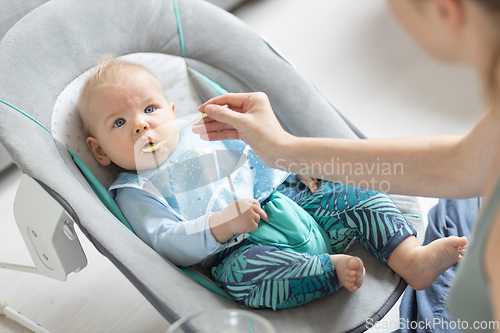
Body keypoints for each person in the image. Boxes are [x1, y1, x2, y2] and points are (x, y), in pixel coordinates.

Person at [193, 0, 500, 330]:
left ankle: (371, 263)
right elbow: (461, 163)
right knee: (454, 207)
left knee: (363, 198)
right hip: (254, 241)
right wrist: (286, 149)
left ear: (446, 10)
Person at [77, 57, 466, 310]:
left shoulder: (204, 131)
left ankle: (410, 257)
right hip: (236, 249)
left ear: (172, 110)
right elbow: (165, 241)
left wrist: (297, 166)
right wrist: (222, 225)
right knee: (244, 279)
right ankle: (324, 270)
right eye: (119, 123)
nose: (142, 125)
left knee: (356, 193)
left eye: (149, 109)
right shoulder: (134, 191)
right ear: (99, 152)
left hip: (291, 201)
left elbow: (259, 150)